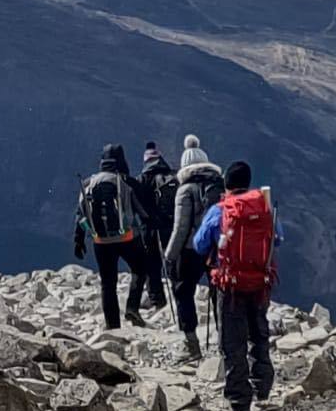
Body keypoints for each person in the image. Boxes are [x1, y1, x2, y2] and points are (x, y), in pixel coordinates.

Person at [193, 160, 282, 411]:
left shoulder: (220, 210)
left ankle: (239, 401)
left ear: (226, 184)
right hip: (260, 283)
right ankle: (262, 387)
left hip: (229, 285)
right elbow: (278, 238)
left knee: (232, 342)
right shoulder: (263, 207)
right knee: (258, 334)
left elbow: (199, 245)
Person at [73, 144, 153, 330]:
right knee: (140, 269)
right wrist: (152, 226)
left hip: (100, 240)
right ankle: (132, 307)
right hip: (126, 237)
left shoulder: (88, 183)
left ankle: (112, 326)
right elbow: (142, 212)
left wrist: (78, 240)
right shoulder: (125, 182)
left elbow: (81, 214)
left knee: (108, 283)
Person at [162, 135, 224, 361]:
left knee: (183, 292)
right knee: (219, 294)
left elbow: (180, 228)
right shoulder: (220, 185)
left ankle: (192, 346)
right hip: (217, 249)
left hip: (190, 250)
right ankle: (224, 344)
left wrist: (169, 256)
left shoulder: (185, 189)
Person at [138, 141, 176, 311]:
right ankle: (179, 294)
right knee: (172, 261)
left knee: (151, 264)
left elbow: (137, 203)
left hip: (150, 227)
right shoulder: (173, 177)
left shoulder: (143, 179)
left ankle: (157, 300)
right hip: (170, 225)